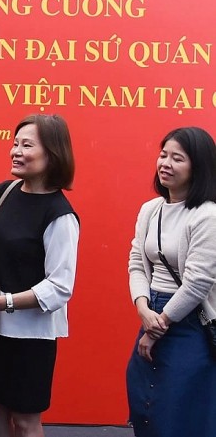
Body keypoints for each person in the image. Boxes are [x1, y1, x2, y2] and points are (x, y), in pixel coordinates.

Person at [0, 114, 79, 437]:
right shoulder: (2, 193)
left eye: (27, 145)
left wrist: (3, 302)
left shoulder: (60, 214)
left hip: (31, 335)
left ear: (52, 154)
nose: (16, 151)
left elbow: (60, 287)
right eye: (15, 143)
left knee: (25, 422)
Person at [125, 126, 216, 437]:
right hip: (153, 312)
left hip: (188, 322)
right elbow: (137, 262)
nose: (165, 163)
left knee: (179, 411)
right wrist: (143, 309)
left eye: (177, 158)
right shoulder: (151, 210)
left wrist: (158, 325)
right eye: (163, 155)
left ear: (199, 166)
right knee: (144, 405)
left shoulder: (207, 215)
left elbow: (197, 283)